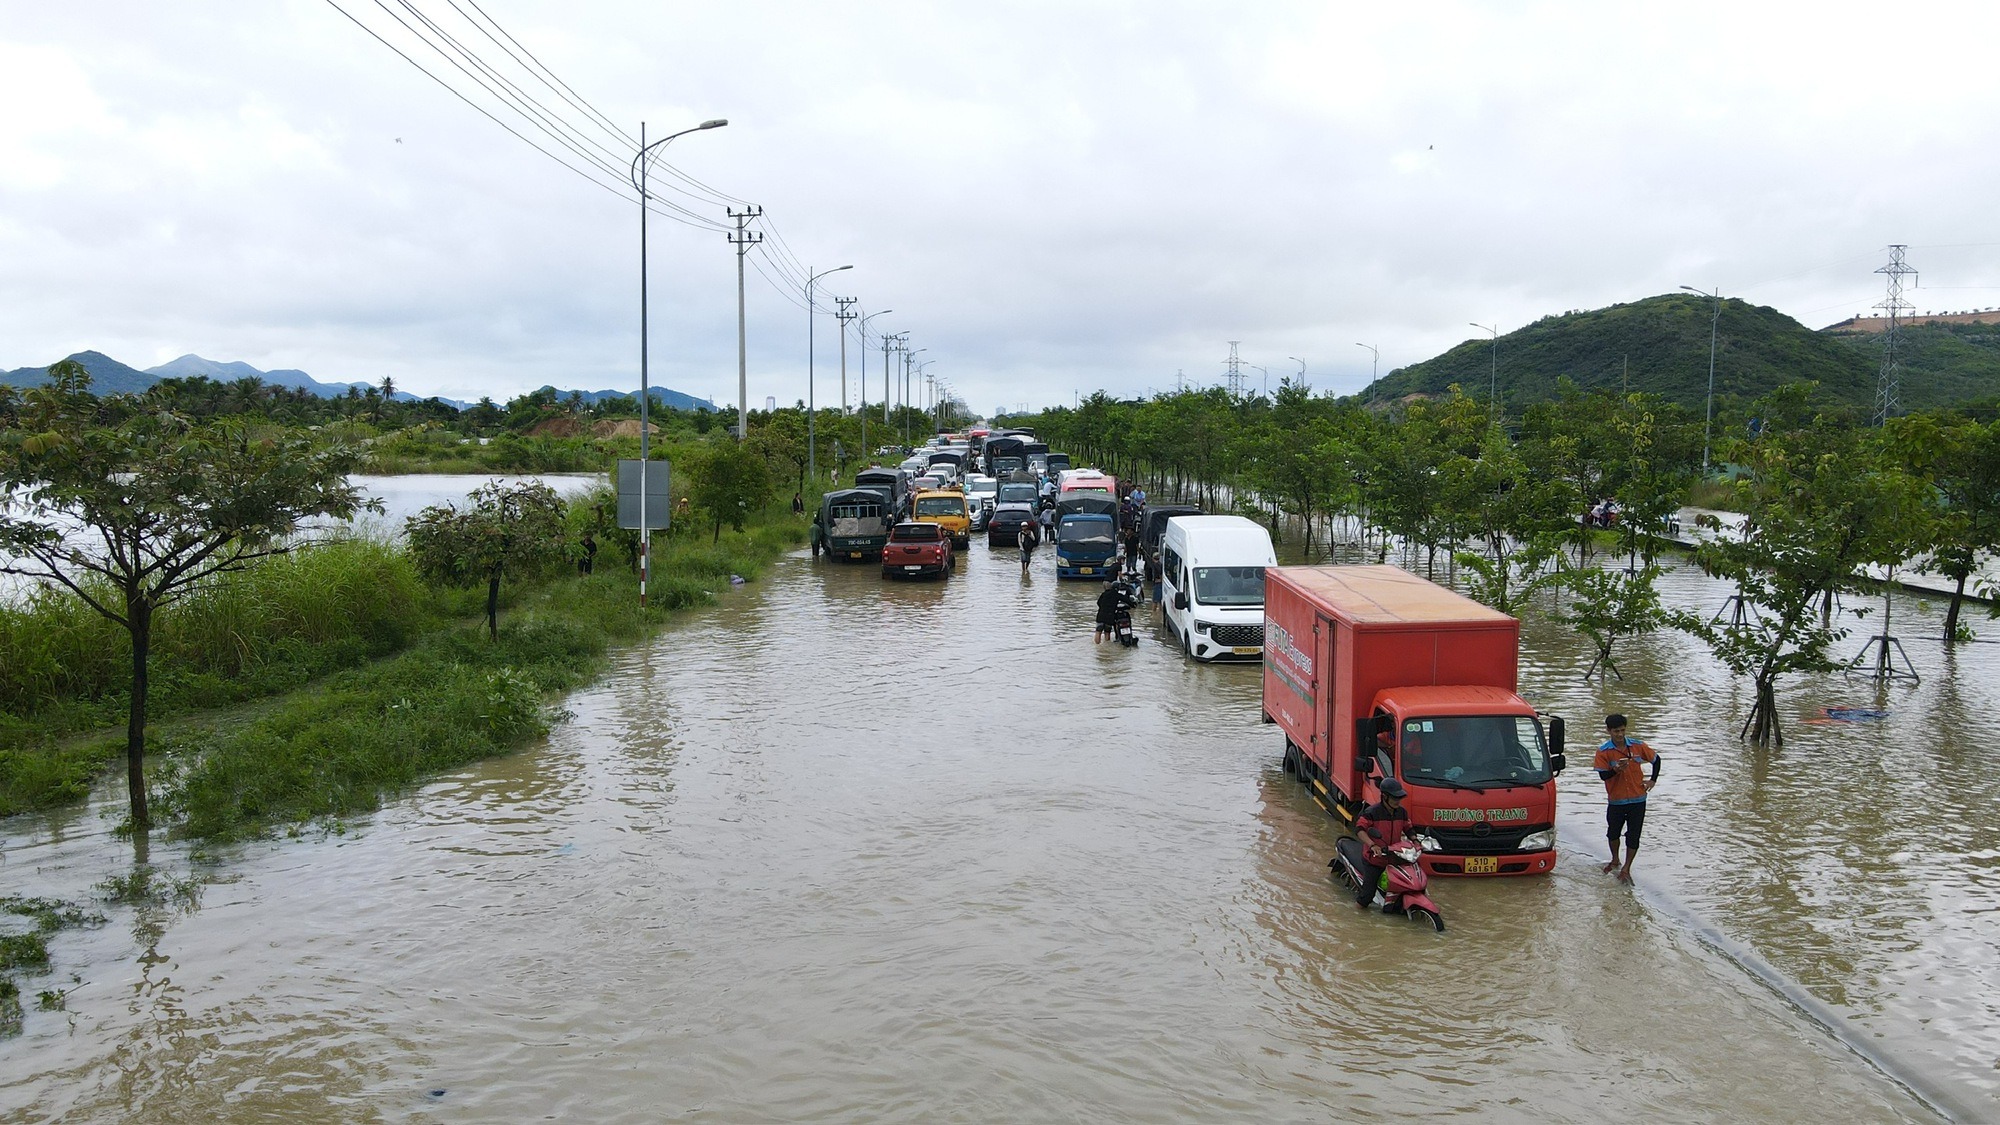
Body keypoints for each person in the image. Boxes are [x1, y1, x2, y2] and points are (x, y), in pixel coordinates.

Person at [1594, 713, 1660, 884]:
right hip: (1616, 800)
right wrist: (1616, 770)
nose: (1620, 734)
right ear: (1609, 731)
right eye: (1616, 731)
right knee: (1613, 832)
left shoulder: (1638, 746)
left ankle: (1626, 868)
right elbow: (1603, 776)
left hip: (1638, 799)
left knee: (1634, 835)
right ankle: (1615, 859)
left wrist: (1653, 780)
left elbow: (1656, 759)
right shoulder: (1603, 752)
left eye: (1623, 730)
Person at [1352, 778, 1411, 907]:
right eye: (1395, 798)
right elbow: (1359, 829)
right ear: (1385, 797)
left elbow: (1408, 828)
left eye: (1399, 798)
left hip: (1394, 857)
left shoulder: (1402, 812)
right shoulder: (1372, 812)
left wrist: (1417, 842)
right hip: (1374, 859)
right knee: (1367, 895)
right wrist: (1372, 845)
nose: (1398, 801)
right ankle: (1358, 909)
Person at [1094, 575, 1126, 644]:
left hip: (1101, 615)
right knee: (1107, 632)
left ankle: (1097, 647)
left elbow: (1098, 602)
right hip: (1110, 616)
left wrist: (1102, 608)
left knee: (1098, 631)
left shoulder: (1104, 593)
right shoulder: (1117, 595)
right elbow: (1126, 600)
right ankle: (1107, 646)